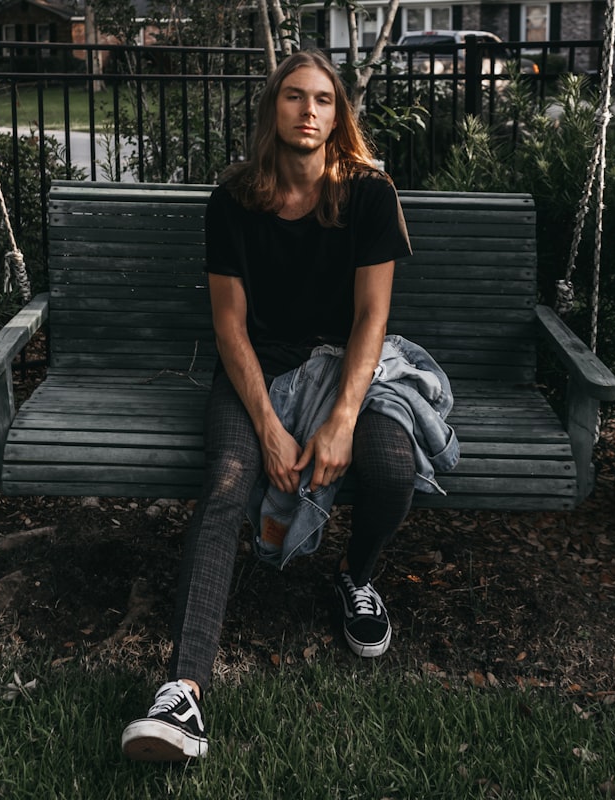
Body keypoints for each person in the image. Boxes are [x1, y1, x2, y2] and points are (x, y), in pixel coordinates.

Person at [121, 49, 419, 762]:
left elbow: (372, 318)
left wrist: (341, 420)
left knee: (391, 468)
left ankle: (356, 580)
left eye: (322, 99)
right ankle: (183, 693)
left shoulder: (371, 195)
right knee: (227, 484)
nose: (308, 110)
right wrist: (270, 429)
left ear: (337, 113)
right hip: (257, 368)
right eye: (293, 96)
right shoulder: (233, 199)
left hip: (345, 366)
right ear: (272, 108)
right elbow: (229, 324)